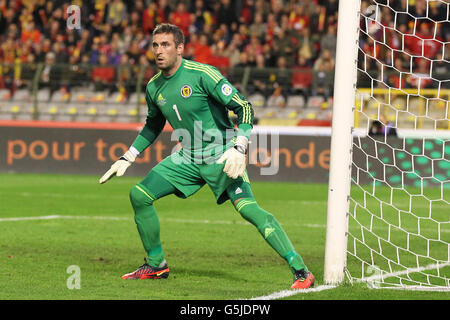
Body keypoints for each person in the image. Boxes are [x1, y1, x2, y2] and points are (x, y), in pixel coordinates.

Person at [99, 23, 314, 290]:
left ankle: (301, 270)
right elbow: (153, 125)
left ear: (180, 48)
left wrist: (240, 147)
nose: (158, 51)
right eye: (155, 45)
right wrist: (127, 156)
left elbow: (244, 107)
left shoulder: (202, 74)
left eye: (165, 45)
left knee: (248, 210)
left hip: (222, 155)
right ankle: (156, 265)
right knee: (139, 195)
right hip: (187, 157)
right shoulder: (154, 87)